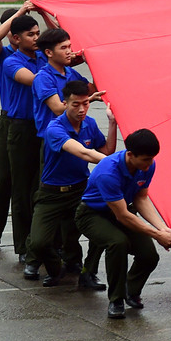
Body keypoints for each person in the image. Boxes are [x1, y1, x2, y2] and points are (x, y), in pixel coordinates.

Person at [74, 129, 171, 319]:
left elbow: (141, 198)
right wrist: (157, 235)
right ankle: (116, 299)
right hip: (93, 214)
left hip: (122, 210)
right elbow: (123, 216)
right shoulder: (109, 172)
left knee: (148, 256)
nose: (149, 165)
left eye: (151, 159)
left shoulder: (148, 165)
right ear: (130, 154)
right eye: (145, 160)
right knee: (117, 243)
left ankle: (131, 290)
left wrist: (161, 228)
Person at [26, 80, 115, 288]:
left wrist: (113, 123)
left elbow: (106, 151)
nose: (82, 109)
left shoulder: (90, 124)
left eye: (85, 103)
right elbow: (84, 152)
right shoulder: (54, 128)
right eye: (75, 104)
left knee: (104, 231)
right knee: (39, 242)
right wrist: (116, 164)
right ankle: (56, 270)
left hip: (80, 190)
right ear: (65, 103)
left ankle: (88, 272)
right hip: (51, 194)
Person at [0, 3, 33, 252]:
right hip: (9, 121)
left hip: (32, 123)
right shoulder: (3, 56)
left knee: (27, 185)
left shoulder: (36, 55)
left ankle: (28, 241)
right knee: (4, 179)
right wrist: (19, 14)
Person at [1, 14, 43, 273]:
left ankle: (44, 243)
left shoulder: (43, 57)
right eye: (31, 34)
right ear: (16, 39)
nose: (37, 38)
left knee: (42, 189)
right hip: (20, 130)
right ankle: (24, 247)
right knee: (22, 190)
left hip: (42, 129)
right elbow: (37, 82)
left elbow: (59, 39)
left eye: (38, 33)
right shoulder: (11, 61)